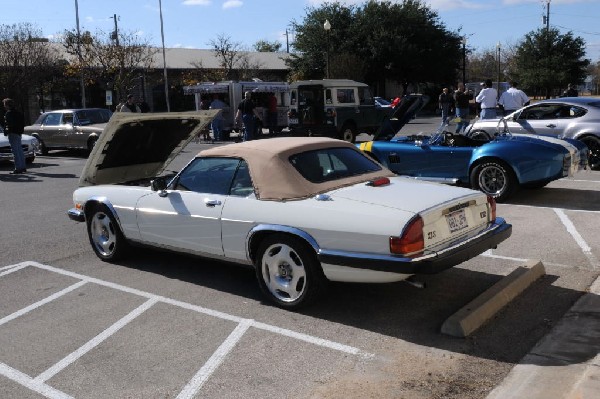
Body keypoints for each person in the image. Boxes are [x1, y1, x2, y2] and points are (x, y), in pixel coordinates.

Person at [3, 98, 27, 174]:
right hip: (18, 133)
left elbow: (8, 124)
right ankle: (22, 167)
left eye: (5, 105)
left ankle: (18, 168)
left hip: (12, 132)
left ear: (7, 105)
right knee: (19, 150)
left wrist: (6, 131)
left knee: (15, 151)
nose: (4, 106)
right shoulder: (18, 112)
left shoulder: (9, 113)